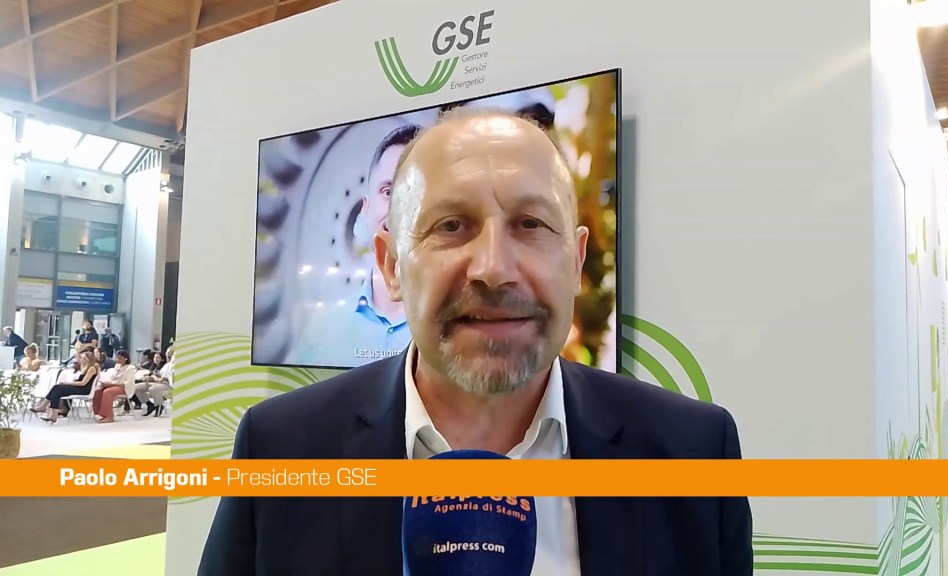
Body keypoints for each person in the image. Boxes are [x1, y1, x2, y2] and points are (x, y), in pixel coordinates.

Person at [200, 109, 753, 575]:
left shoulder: (697, 453)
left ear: (577, 260)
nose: (493, 269)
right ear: (391, 265)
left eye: (531, 224)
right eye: (451, 226)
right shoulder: (280, 449)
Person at [291, 124, 418, 368]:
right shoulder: (320, 333)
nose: (398, 207)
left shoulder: (451, 330)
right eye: (388, 191)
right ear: (366, 209)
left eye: (412, 191)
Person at [32, 350, 99, 423]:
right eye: (81, 358)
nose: (82, 360)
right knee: (57, 389)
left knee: (57, 388)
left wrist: (69, 383)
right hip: (79, 387)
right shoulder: (83, 368)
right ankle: (52, 413)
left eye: (84, 359)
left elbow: (83, 383)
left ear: (89, 360)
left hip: (84, 390)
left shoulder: (91, 368)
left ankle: (45, 408)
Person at [93, 350, 136, 423]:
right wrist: (107, 383)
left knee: (107, 392)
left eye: (120, 358)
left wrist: (111, 384)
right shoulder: (117, 366)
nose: (117, 360)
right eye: (117, 358)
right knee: (98, 390)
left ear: (125, 359)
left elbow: (126, 383)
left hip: (124, 387)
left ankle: (109, 416)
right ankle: (98, 413)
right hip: (114, 384)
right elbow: (113, 378)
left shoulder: (130, 368)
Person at [135, 350, 174, 417]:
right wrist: (148, 378)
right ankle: (149, 404)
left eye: (158, 357)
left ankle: (159, 406)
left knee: (153, 389)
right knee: (136, 387)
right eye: (155, 357)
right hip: (155, 383)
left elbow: (165, 379)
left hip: (166, 385)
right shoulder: (155, 366)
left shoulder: (167, 366)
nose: (155, 359)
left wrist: (155, 379)